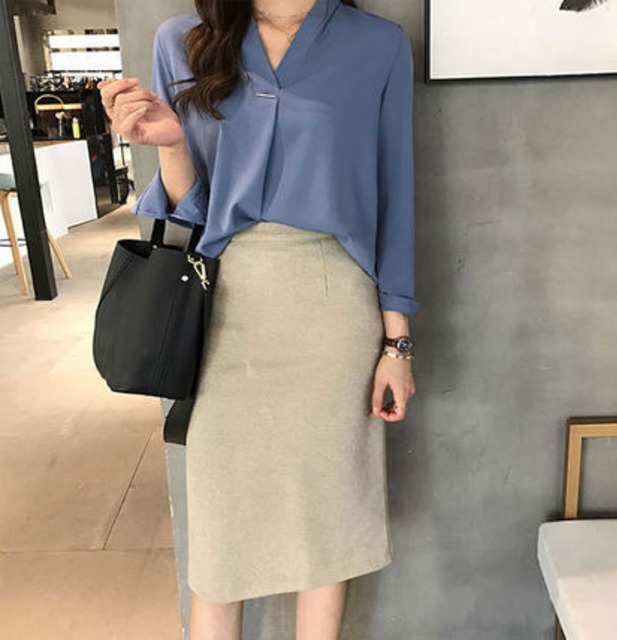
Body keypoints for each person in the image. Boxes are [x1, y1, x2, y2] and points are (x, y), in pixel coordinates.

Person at [99, 0, 419, 638]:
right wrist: (171, 146)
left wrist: (397, 345)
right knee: (221, 540)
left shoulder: (377, 45)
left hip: (331, 306)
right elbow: (190, 213)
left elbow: (396, 196)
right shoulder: (183, 40)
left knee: (325, 528)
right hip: (222, 305)